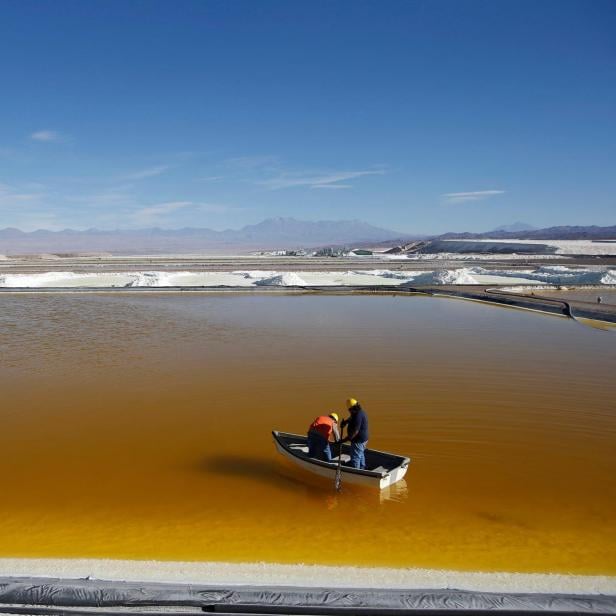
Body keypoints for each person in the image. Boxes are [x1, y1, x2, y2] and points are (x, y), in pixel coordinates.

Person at [339, 398, 369, 469]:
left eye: (349, 410)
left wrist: (345, 439)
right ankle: (362, 468)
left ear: (352, 408)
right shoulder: (358, 412)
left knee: (355, 457)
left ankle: (356, 471)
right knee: (360, 454)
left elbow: (355, 432)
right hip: (363, 439)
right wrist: (345, 422)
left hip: (358, 440)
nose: (349, 411)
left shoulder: (358, 416)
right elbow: (351, 418)